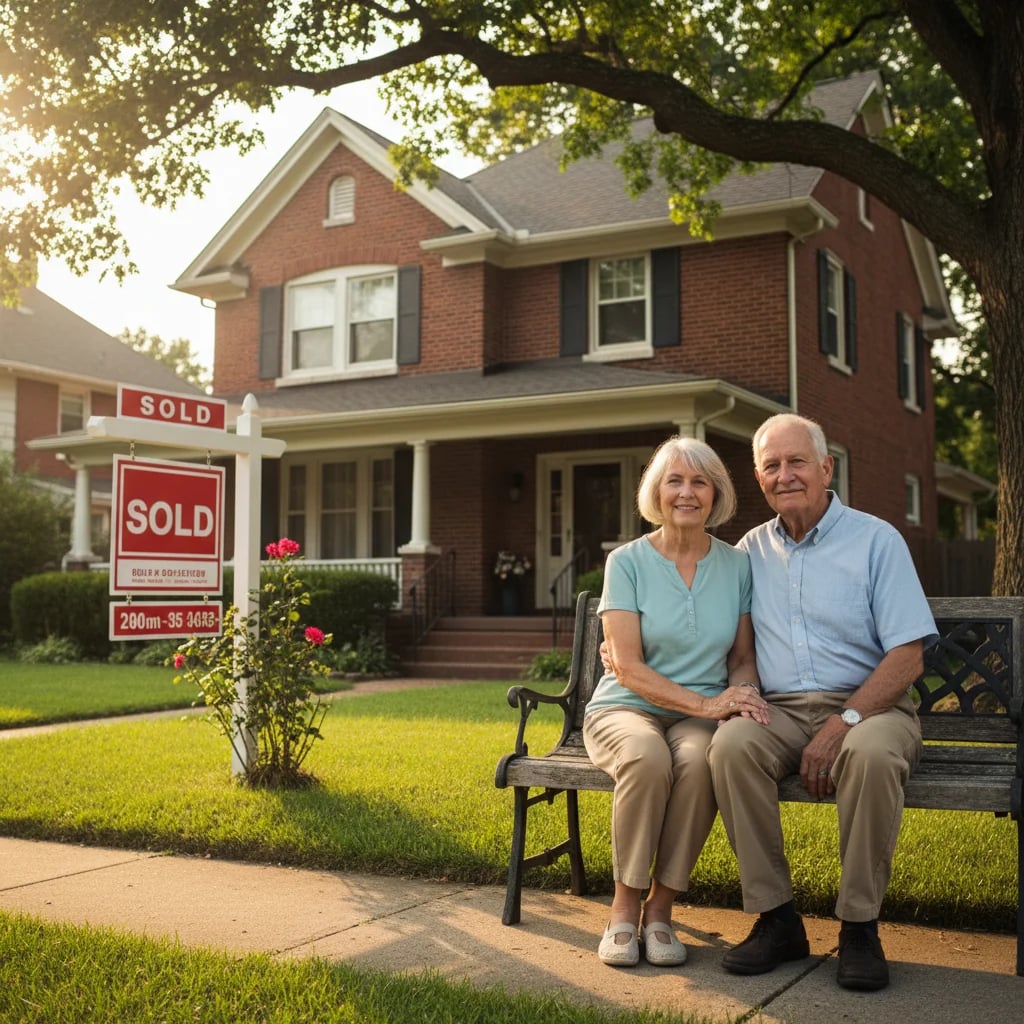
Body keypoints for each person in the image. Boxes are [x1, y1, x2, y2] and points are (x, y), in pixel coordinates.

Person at [706, 412, 937, 992]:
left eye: (797, 462)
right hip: (779, 707)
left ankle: (859, 925)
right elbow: (723, 639)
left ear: (826, 468)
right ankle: (777, 919)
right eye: (771, 466)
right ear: (760, 479)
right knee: (731, 746)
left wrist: (843, 721)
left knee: (874, 756)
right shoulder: (747, 553)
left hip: (872, 708)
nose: (785, 476)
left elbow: (907, 658)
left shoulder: (876, 539)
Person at [584, 436, 770, 968]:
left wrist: (744, 694)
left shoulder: (737, 565)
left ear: (716, 494)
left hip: (698, 714)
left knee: (697, 762)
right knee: (647, 756)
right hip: (624, 706)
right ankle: (623, 911)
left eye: (699, 482)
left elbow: (741, 656)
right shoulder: (627, 561)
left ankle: (661, 911)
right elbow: (629, 666)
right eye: (674, 481)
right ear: (655, 492)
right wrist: (711, 707)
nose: (686, 493)